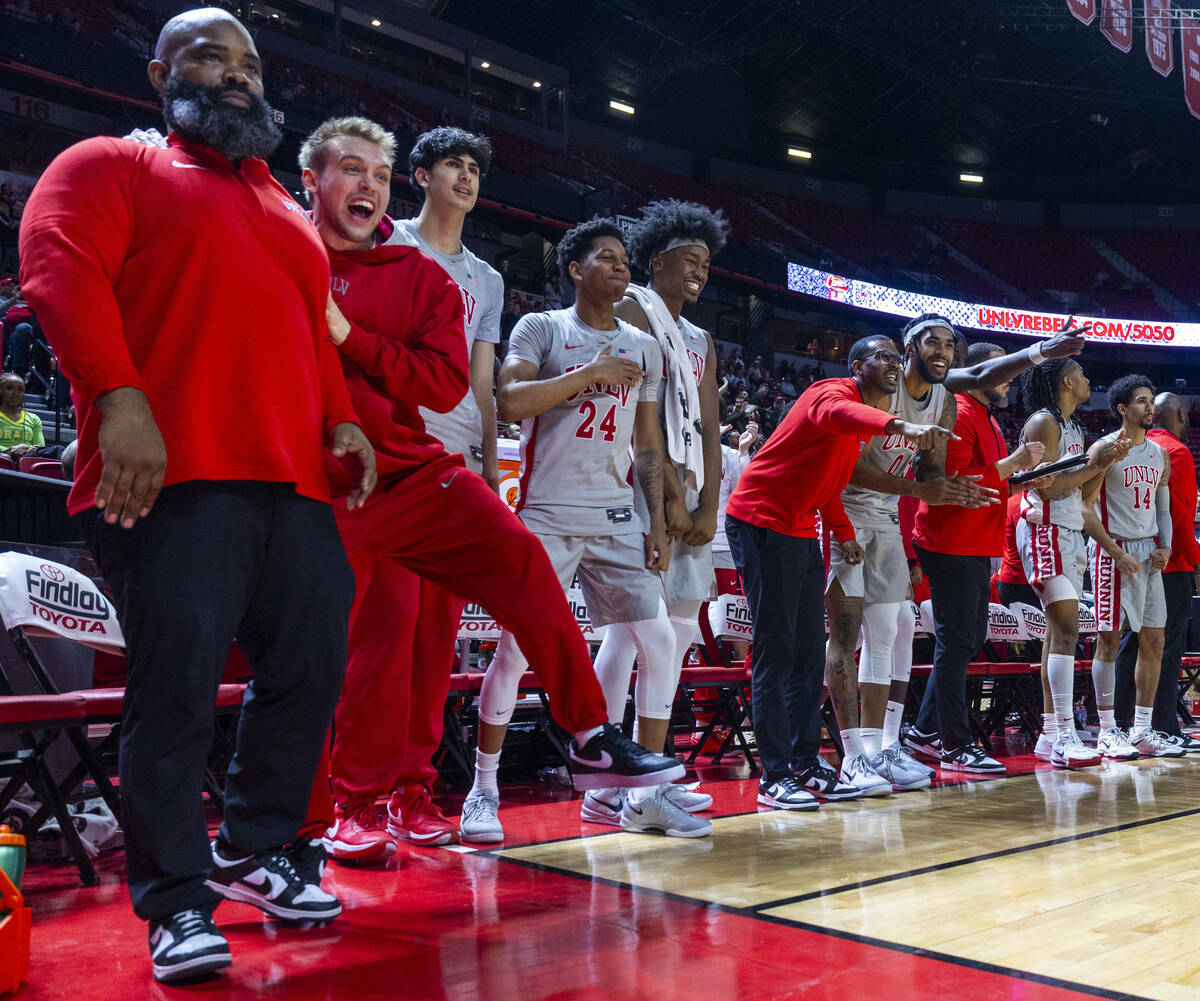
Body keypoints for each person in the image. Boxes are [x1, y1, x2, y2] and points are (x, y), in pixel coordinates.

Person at [18, 8, 378, 983]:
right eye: (209, 57)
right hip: (168, 474)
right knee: (173, 694)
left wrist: (341, 418)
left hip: (292, 481)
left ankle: (260, 847)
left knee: (309, 668)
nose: (235, 76)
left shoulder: (288, 213)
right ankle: (174, 901)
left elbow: (313, 333)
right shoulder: (111, 165)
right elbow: (56, 266)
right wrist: (121, 395)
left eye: (249, 63)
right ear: (158, 73)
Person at [297, 124, 683, 859]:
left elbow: (457, 383)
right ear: (313, 181)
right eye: (353, 170)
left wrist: (471, 455)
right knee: (360, 648)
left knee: (475, 603)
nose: (367, 186)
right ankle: (344, 805)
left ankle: (581, 737)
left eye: (374, 173)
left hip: (424, 464)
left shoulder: (448, 279)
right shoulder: (293, 246)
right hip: (320, 476)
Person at [470, 218, 706, 842]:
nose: (622, 266)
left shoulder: (644, 345)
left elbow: (648, 441)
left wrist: (656, 520)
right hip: (548, 510)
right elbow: (509, 401)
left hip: (617, 516)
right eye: (607, 258)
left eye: (626, 258)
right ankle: (483, 789)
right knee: (518, 652)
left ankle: (637, 796)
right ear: (576, 270)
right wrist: (587, 377)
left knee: (660, 642)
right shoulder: (542, 326)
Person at [346, 123, 503, 849]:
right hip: (387, 454)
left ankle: (413, 787)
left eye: (474, 168)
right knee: (383, 635)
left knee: (436, 639)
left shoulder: (488, 278)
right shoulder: (384, 242)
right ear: (419, 175)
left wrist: (488, 461)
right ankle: (359, 792)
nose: (465, 178)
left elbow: (480, 379)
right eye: (452, 165)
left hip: (454, 463)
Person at [725, 335, 954, 811]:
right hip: (759, 520)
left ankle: (807, 763)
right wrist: (898, 425)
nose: (892, 364)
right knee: (777, 648)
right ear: (856, 366)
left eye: (896, 357)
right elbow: (839, 415)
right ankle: (775, 775)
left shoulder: (858, 428)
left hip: (802, 528)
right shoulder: (830, 394)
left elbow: (829, 482)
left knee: (811, 650)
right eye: (881, 357)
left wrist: (844, 532)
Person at [826, 320, 1015, 793]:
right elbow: (853, 467)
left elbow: (931, 470)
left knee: (891, 631)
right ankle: (853, 756)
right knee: (848, 635)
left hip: (887, 517)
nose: (944, 350)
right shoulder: (878, 388)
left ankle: (882, 747)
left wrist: (955, 490)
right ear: (908, 348)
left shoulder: (944, 402)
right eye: (934, 341)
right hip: (840, 510)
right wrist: (922, 487)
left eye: (951, 344)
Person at [590, 200, 727, 814]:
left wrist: (706, 507)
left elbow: (710, 427)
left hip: (691, 487)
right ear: (657, 261)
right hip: (638, 483)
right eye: (688, 260)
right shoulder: (631, 309)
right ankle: (603, 774)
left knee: (673, 633)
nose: (699, 270)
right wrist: (669, 497)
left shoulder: (701, 339)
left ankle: (656, 772)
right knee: (625, 631)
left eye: (705, 262)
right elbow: (639, 421)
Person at [903, 336, 1057, 775]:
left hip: (972, 542)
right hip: (950, 542)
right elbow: (955, 480)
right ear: (980, 375)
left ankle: (925, 731)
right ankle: (954, 743)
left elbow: (988, 487)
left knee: (966, 640)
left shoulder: (984, 416)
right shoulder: (959, 411)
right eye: (1002, 373)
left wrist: (1023, 479)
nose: (1008, 383)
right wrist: (1015, 463)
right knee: (956, 642)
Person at [1011, 357, 1127, 769]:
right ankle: (1064, 733)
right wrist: (1094, 463)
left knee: (1058, 636)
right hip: (1044, 530)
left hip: (1069, 531)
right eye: (1082, 374)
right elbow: (1042, 488)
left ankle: (1048, 733)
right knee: (1066, 631)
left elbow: (1082, 496)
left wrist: (1105, 462)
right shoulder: (1045, 423)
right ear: (1066, 380)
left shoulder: (1074, 425)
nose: (1088, 380)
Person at [1082, 376, 1177, 760]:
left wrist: (1166, 545)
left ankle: (1141, 729)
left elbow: (1163, 507)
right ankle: (1106, 731)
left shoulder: (1159, 453)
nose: (1149, 408)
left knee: (1154, 640)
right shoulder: (1104, 448)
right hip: (1113, 551)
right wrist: (1113, 551)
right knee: (1108, 640)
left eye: (1151, 401)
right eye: (1141, 401)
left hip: (1149, 554)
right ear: (1122, 409)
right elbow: (1085, 508)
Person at [1114, 393, 1200, 752]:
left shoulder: (1141, 447)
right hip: (1169, 562)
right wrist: (1196, 561)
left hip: (1137, 557)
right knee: (1162, 648)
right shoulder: (1174, 452)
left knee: (1130, 643)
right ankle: (1162, 725)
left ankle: (1123, 723)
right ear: (1180, 414)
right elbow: (1179, 518)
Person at [0, 372, 44, 458]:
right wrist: (12, 451)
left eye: (21, 390)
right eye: (9, 388)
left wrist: (27, 449)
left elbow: (40, 447)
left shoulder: (34, 419)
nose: (16, 393)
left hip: (27, 459)